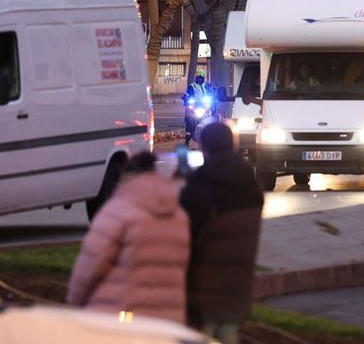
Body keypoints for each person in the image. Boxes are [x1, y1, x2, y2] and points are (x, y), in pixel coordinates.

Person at [66, 152, 190, 323]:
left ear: (126, 176)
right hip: (168, 317)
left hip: (127, 314)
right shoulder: (178, 215)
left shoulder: (117, 213)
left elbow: (92, 264)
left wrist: (75, 300)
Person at [179, 121, 264, 343]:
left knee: (203, 333)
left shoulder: (202, 185)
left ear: (204, 146)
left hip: (205, 278)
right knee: (227, 332)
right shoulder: (249, 183)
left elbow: (187, 231)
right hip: (239, 278)